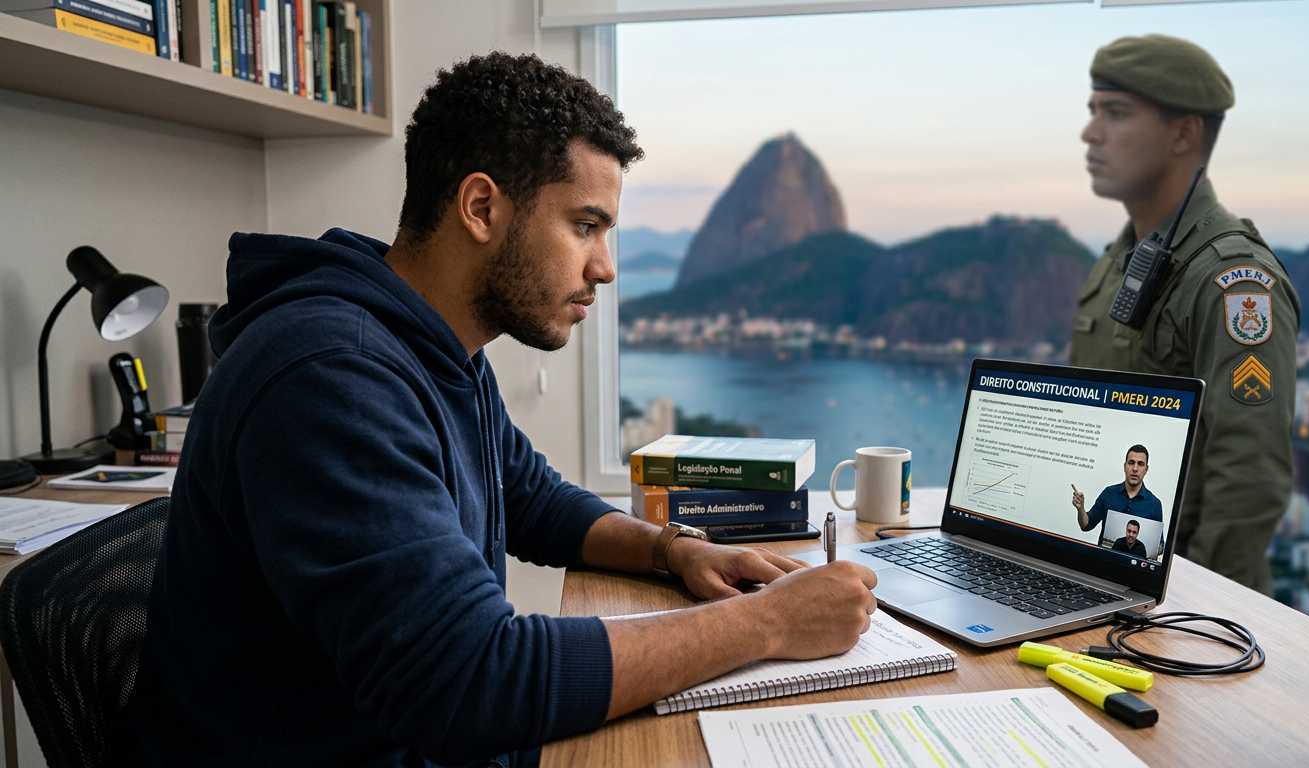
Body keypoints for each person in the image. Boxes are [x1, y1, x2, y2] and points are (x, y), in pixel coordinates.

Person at [125, 53, 878, 766]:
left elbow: (531, 498)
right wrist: (770, 622)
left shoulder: (430, 343)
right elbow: (463, 682)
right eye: (585, 226)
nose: (605, 268)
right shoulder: (331, 375)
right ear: (481, 206)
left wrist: (674, 550)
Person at [1069, 34, 1299, 594]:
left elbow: (1248, 476)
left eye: (1116, 114)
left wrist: (1196, 613)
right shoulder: (1119, 260)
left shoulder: (1233, 281)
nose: (1090, 133)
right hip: (1095, 579)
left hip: (1174, 609)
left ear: (1184, 134)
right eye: (1093, 111)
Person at [1071, 445, 1162, 537]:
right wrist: (1081, 509)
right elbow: (1086, 525)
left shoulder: (1154, 504)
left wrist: (1159, 547)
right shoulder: (1109, 493)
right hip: (1105, 551)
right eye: (1131, 463)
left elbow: (1159, 545)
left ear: (1146, 469)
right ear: (1124, 466)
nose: (1135, 468)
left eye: (1140, 464)